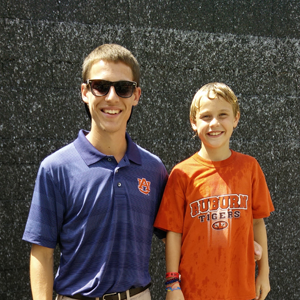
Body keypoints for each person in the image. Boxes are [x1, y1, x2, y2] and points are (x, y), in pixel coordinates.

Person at [22, 44, 168, 300]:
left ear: (136, 95)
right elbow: (42, 252)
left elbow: (175, 238)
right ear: (85, 92)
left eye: (123, 88)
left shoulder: (154, 169)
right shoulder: (56, 168)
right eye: (101, 86)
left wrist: (245, 244)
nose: (111, 97)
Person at [154, 82, 274, 300]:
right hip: (192, 290)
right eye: (206, 116)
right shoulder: (182, 173)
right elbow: (173, 232)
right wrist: (172, 284)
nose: (215, 123)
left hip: (240, 289)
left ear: (236, 118)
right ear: (193, 122)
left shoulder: (250, 168)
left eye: (223, 114)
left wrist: (263, 274)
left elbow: (258, 222)